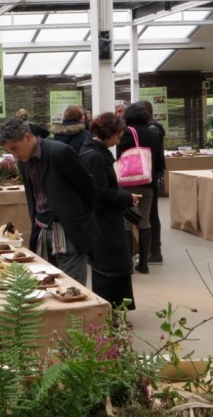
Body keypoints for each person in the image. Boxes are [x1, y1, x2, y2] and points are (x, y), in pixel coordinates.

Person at [0, 117, 98, 285]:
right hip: (42, 229)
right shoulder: (23, 162)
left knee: (72, 288)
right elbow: (33, 195)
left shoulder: (60, 152)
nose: (14, 155)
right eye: (10, 151)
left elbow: (88, 188)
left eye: (15, 148)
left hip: (69, 230)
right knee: (46, 283)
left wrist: (77, 217)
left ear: (28, 137)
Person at [80, 113, 139, 309]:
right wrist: (127, 197)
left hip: (103, 218)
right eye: (118, 135)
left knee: (112, 265)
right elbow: (101, 193)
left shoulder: (92, 152)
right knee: (111, 267)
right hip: (103, 221)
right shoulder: (95, 157)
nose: (118, 140)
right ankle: (111, 311)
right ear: (109, 133)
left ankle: (115, 310)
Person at [118, 102, 164, 274]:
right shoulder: (153, 134)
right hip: (147, 183)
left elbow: (118, 158)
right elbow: (159, 160)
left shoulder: (125, 134)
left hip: (128, 183)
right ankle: (144, 263)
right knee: (144, 221)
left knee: (127, 223)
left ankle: (128, 263)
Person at [139, 100, 166, 265]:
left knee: (151, 214)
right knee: (150, 214)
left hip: (150, 176)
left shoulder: (152, 129)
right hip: (152, 175)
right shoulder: (153, 128)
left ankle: (155, 250)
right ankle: (153, 250)